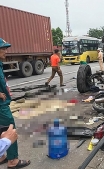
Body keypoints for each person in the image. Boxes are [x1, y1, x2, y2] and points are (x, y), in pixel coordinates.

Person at [0, 38, 30, 168]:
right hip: (1, 105)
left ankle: (1, 155)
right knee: (9, 128)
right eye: (3, 48)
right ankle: (13, 160)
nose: (6, 51)